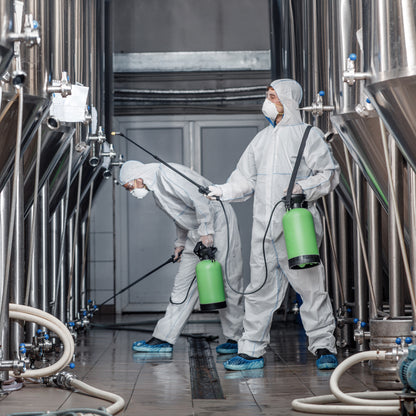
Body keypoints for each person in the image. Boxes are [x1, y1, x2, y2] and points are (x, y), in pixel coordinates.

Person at [207, 79, 340, 371]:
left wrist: (302, 187)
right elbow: (244, 178)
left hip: (296, 226)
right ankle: (251, 350)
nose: (267, 101)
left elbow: (328, 175)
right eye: (267, 96)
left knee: (310, 288)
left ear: (287, 101)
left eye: (272, 96)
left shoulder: (308, 135)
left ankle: (324, 347)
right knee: (259, 290)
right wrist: (223, 191)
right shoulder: (262, 140)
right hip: (263, 228)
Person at [119, 160, 244, 355]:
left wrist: (206, 232)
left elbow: (200, 199)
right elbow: (181, 216)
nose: (131, 191)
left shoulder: (168, 175)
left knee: (228, 280)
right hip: (198, 231)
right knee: (182, 287)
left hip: (218, 224)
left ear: (138, 177)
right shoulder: (157, 191)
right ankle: (163, 338)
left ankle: (236, 338)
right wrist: (180, 243)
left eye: (129, 186)